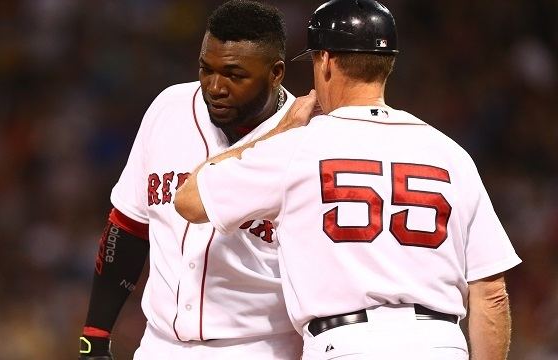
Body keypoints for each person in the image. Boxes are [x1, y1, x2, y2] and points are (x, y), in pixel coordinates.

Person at [174, 0, 522, 359]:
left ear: (325, 61)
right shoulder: (451, 155)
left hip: (345, 343)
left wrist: (279, 130)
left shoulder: (299, 146)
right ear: (388, 63)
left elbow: (190, 200)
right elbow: (491, 292)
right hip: (440, 343)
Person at [77, 1, 304, 359]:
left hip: (261, 348)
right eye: (206, 69)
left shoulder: (308, 138)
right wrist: (95, 335)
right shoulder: (170, 108)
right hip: (160, 345)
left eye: (234, 74)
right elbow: (129, 225)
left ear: (276, 73)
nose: (215, 86)